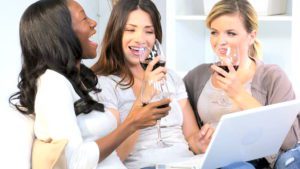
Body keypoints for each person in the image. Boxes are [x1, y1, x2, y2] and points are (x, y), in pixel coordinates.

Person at [92, 0, 256, 169]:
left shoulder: (171, 77)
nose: (140, 39)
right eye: (130, 30)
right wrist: (144, 96)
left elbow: (191, 137)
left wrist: (201, 142)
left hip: (187, 163)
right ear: (116, 33)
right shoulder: (104, 84)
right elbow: (115, 156)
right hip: (148, 165)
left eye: (148, 31)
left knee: (242, 167)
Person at [9, 0, 170, 168]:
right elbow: (74, 162)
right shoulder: (52, 84)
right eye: (84, 19)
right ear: (62, 32)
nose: (94, 23)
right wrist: (132, 123)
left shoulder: (78, 81)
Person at [183, 0, 300, 168]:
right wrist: (196, 140)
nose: (220, 41)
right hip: (215, 161)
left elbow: (290, 141)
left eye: (231, 33)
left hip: (259, 162)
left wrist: (239, 95)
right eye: (214, 32)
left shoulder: (272, 76)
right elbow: (178, 124)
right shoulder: (197, 76)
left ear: (252, 36)